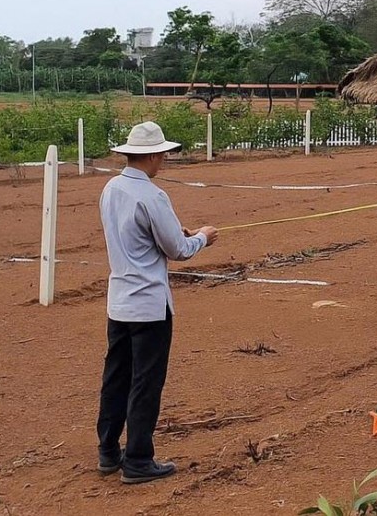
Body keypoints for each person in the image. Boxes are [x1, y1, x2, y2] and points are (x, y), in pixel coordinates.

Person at [95, 121, 218, 484]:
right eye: (162, 153)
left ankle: (108, 450)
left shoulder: (111, 189)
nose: (164, 159)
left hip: (119, 302)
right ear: (150, 155)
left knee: (116, 376)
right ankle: (137, 459)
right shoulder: (152, 195)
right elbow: (177, 250)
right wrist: (203, 238)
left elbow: (140, 235)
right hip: (149, 305)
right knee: (146, 382)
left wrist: (177, 234)